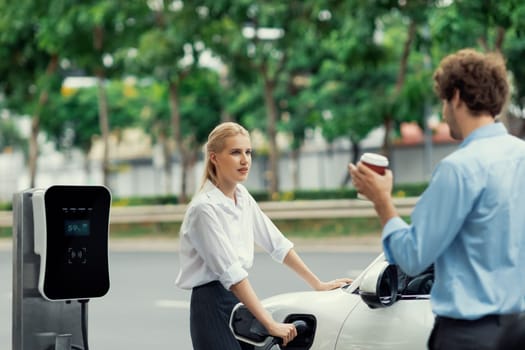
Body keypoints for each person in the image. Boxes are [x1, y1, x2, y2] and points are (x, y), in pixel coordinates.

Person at [348, 48, 525, 350]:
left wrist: (382, 201)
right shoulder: (521, 155)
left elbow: (414, 258)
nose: (444, 113)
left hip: (468, 336)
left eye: (443, 102)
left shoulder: (459, 168)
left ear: (455, 97)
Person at [176, 122, 352, 350]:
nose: (245, 160)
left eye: (248, 152)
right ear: (214, 158)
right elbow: (232, 274)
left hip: (239, 302)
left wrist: (317, 283)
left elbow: (277, 244)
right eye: (235, 152)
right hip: (212, 304)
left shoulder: (242, 196)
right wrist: (269, 324)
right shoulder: (203, 209)